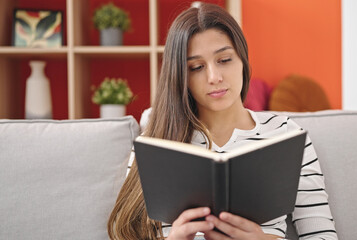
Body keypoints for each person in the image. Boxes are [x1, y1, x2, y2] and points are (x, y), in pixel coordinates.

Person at [108, 3, 337, 240]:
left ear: (243, 60)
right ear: (181, 77)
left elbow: (324, 236)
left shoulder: (286, 134)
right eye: (196, 67)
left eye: (224, 60)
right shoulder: (154, 144)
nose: (214, 77)